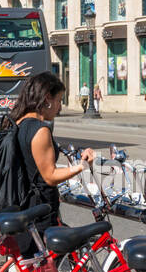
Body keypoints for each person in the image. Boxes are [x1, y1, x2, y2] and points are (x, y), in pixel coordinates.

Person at [13, 71, 96, 256]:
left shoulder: (17, 122)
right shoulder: (40, 130)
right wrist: (82, 166)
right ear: (47, 99)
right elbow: (49, 176)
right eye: (58, 100)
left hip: (19, 202)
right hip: (38, 209)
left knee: (27, 269)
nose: (59, 107)